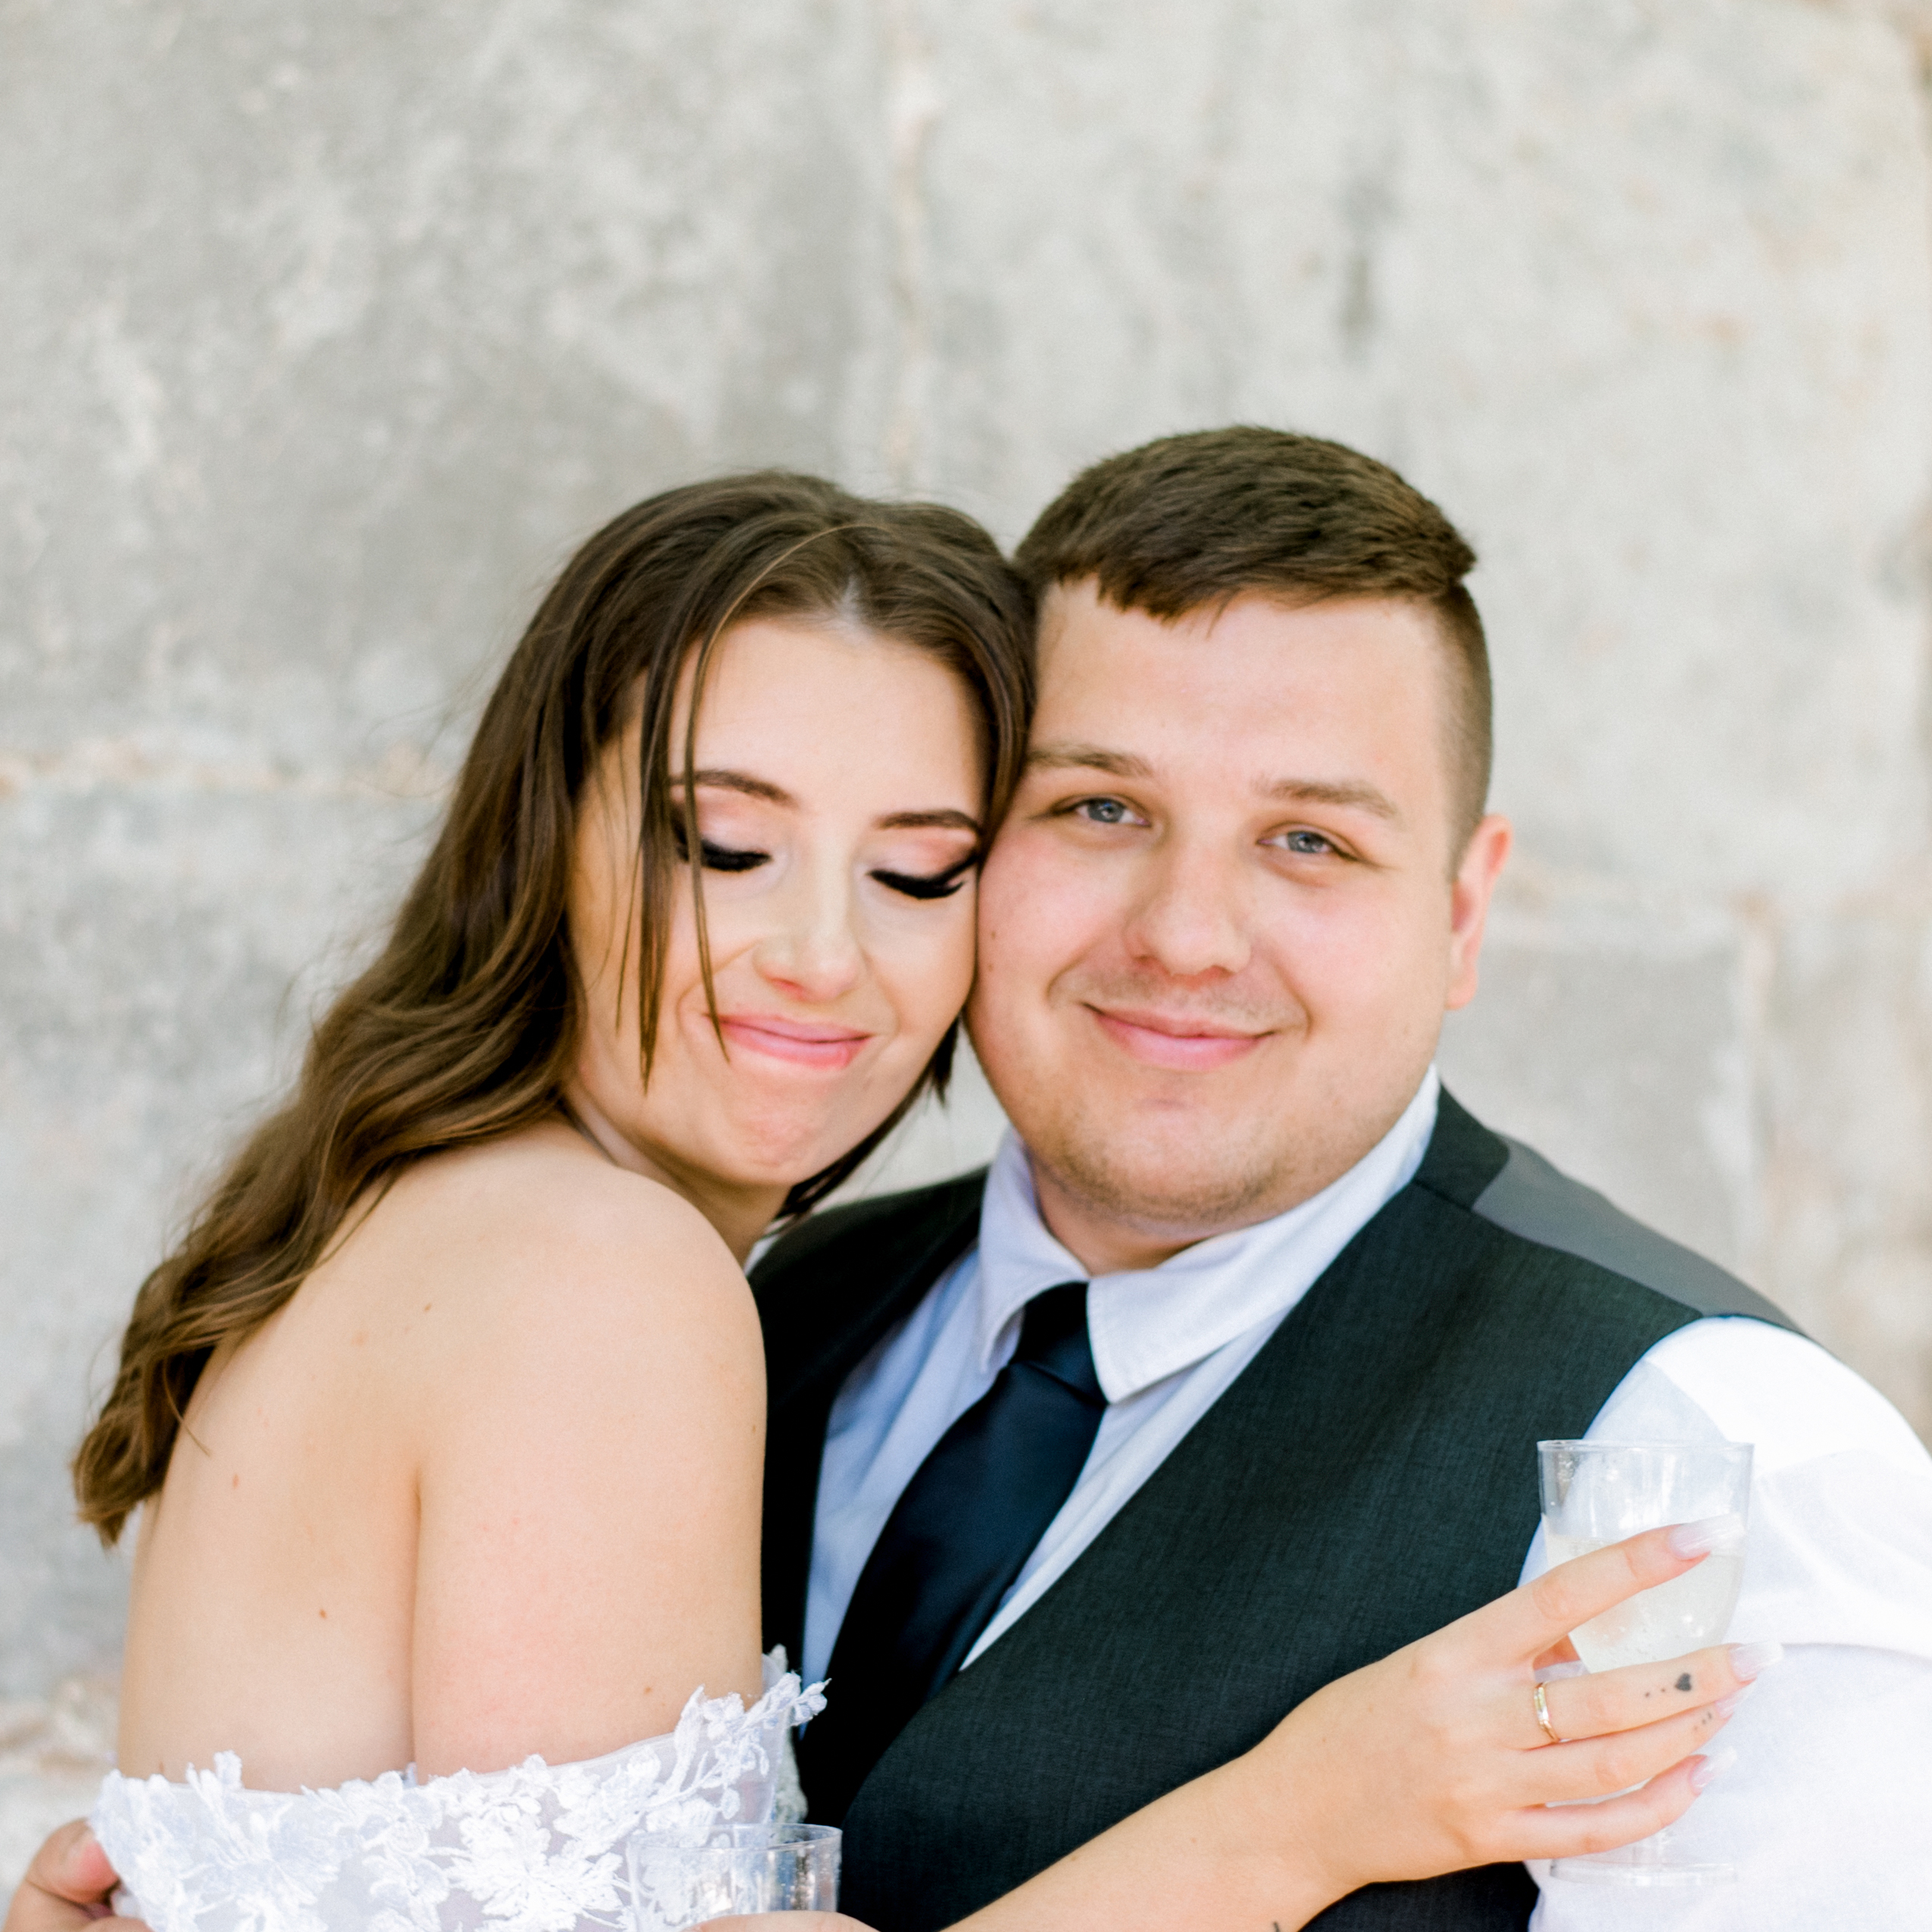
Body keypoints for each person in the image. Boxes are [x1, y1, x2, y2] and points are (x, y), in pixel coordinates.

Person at [3, 443, 1819, 1932]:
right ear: (543, 835)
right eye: (725, 844)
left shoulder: (427, 1223)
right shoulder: (600, 1278)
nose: (818, 957)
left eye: (916, 871)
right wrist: (1306, 1815)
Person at [746, 428, 1932, 1929]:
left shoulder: (1709, 1463)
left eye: (1307, 839)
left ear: (1462, 911)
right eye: (1100, 807)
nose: (1185, 936)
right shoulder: (779, 1304)